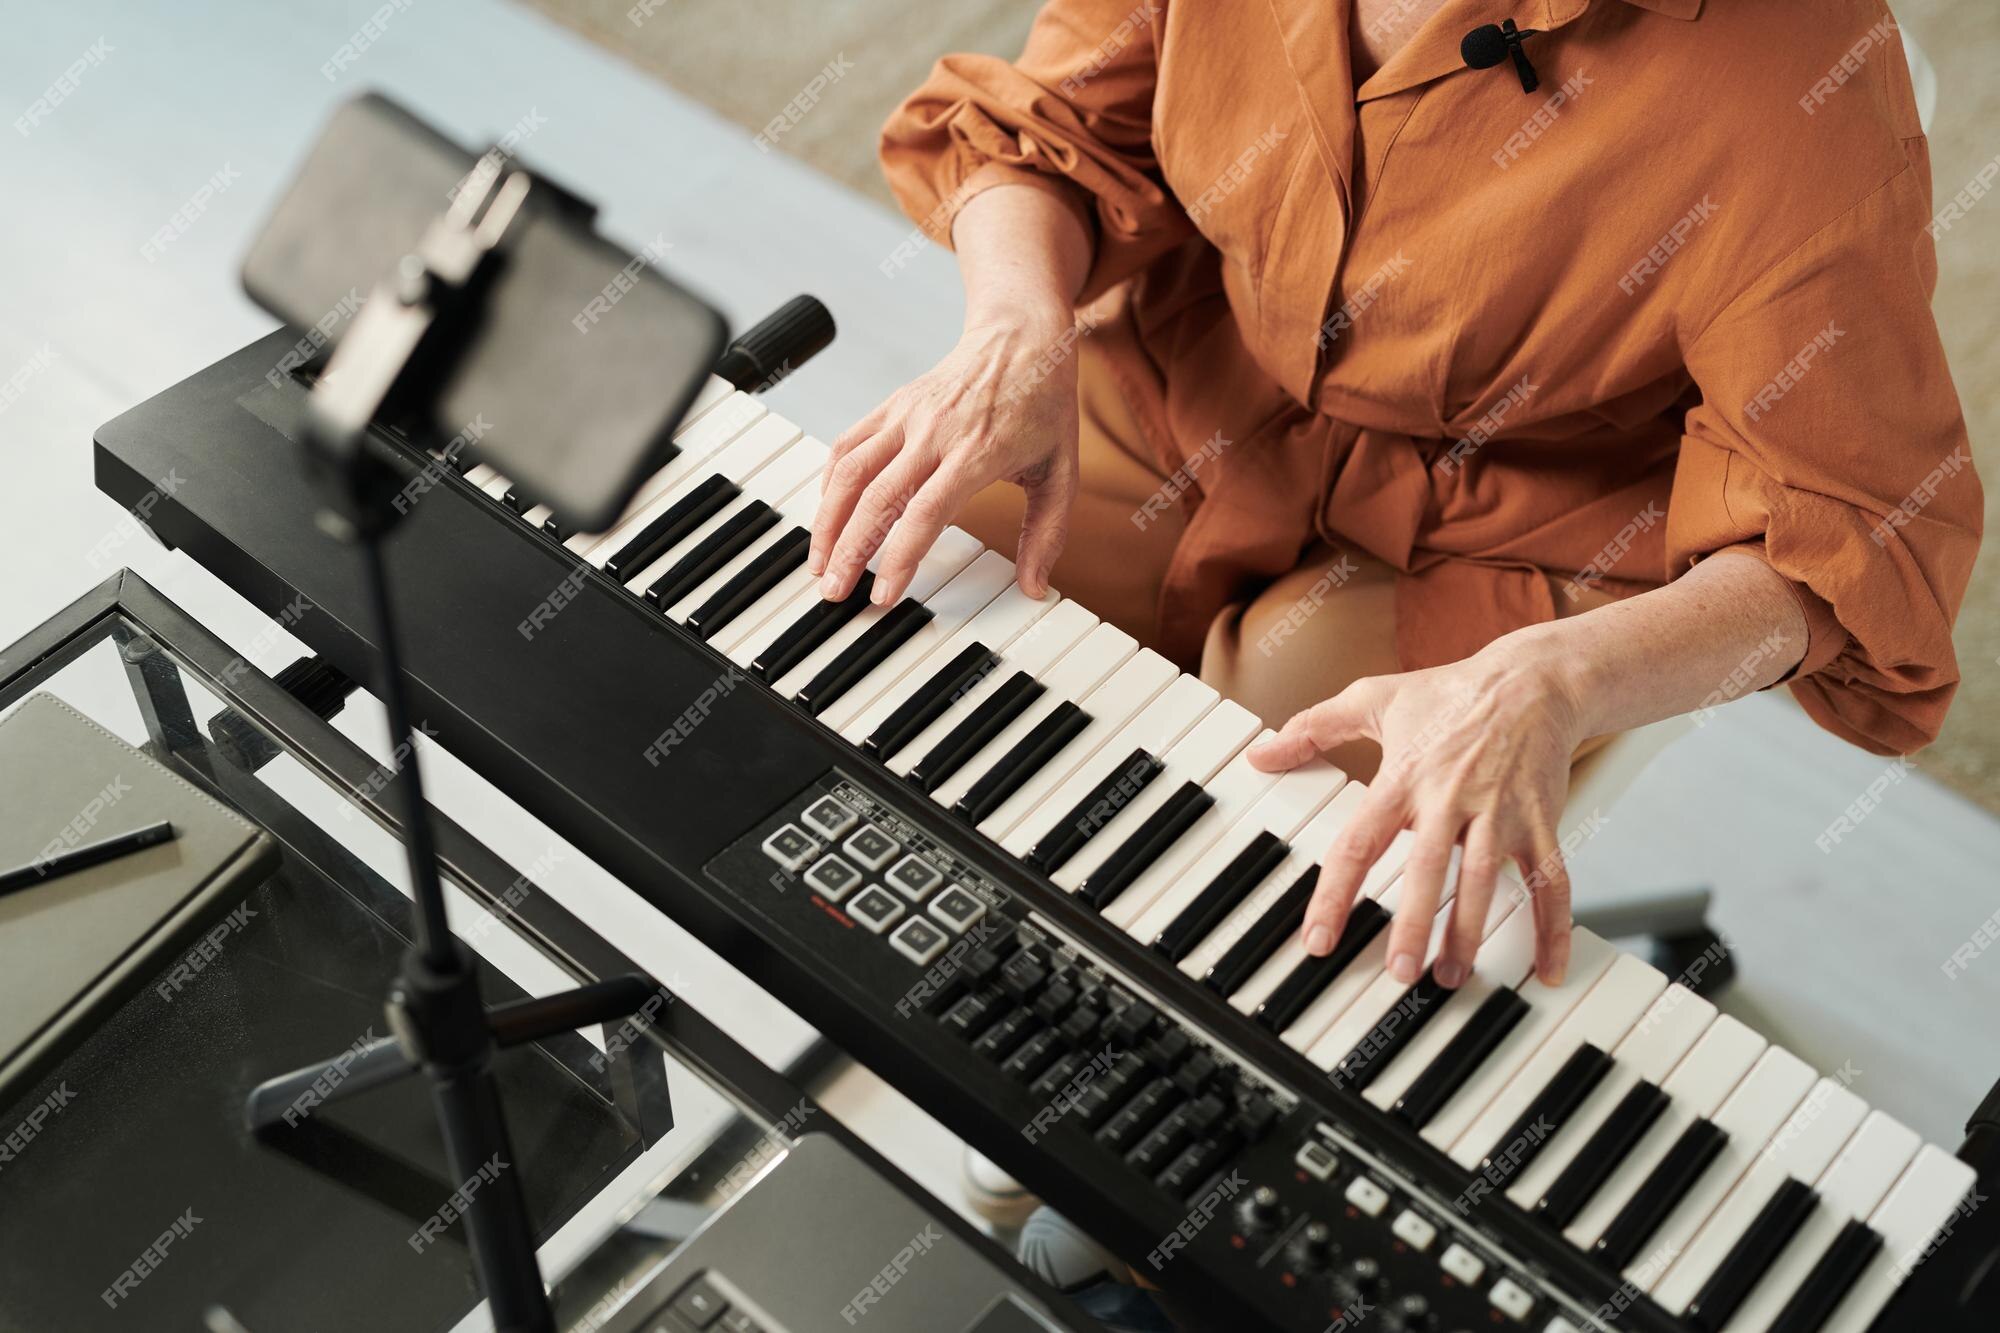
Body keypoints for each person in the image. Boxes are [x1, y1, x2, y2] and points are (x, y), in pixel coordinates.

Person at [811, 0, 1979, 995]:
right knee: (894, 614)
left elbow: (1856, 527)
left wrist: (1558, 678)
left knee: (1257, 854)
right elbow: (1050, 125)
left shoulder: (1802, 83)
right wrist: (1016, 322)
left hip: (1521, 512)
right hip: (1195, 373)